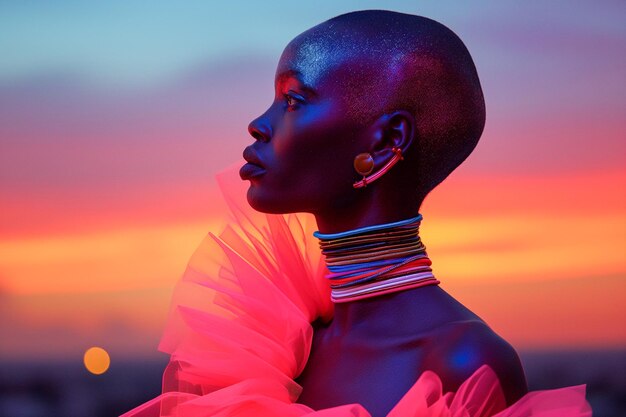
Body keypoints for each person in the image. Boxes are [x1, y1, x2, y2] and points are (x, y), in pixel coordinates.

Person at [121, 9, 592, 417]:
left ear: (388, 141)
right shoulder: (272, 345)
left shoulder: (465, 363)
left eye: (293, 101)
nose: (259, 124)